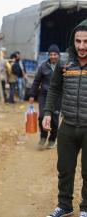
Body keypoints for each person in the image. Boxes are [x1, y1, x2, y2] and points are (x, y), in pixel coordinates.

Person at [43, 19, 87, 217]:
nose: (82, 46)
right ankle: (65, 205)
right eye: (78, 41)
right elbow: (54, 89)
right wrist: (47, 113)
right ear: (73, 40)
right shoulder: (64, 61)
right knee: (65, 169)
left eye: (86, 42)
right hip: (67, 125)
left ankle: (85, 208)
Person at [29, 44, 61, 149]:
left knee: (54, 119)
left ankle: (52, 139)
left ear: (58, 55)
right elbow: (36, 81)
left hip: (57, 97)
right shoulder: (43, 66)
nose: (53, 56)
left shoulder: (63, 66)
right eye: (51, 54)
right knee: (42, 116)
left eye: (55, 54)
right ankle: (43, 137)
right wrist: (32, 94)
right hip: (44, 95)